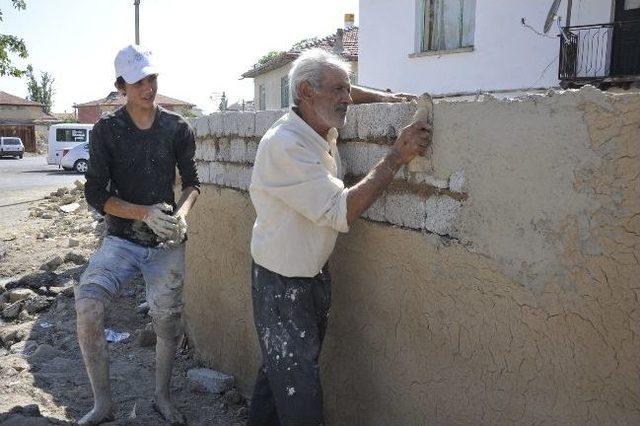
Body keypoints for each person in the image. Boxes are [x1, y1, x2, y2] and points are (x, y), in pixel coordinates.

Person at [248, 48, 431, 425]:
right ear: (305, 91)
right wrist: (396, 157)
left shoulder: (317, 123)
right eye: (338, 91)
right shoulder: (286, 144)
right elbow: (339, 211)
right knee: (300, 390)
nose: (347, 99)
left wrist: (384, 98)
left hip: (309, 273)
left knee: (281, 372)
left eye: (348, 90)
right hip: (281, 284)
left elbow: (343, 91)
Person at [75, 44, 199, 425]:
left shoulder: (177, 128)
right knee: (88, 307)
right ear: (121, 87)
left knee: (167, 323)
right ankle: (103, 404)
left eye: (152, 79)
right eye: (139, 81)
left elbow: (193, 184)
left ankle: (161, 397)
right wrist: (142, 213)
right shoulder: (107, 131)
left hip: (165, 243)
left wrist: (181, 216)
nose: (148, 87)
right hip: (121, 241)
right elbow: (96, 193)